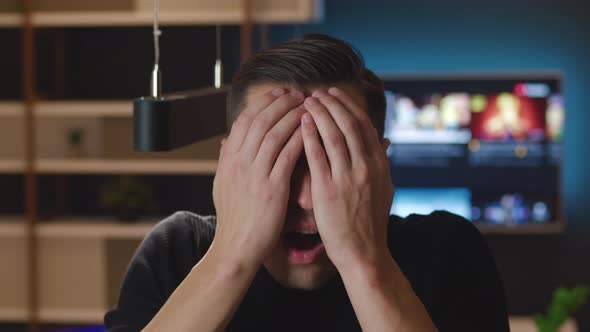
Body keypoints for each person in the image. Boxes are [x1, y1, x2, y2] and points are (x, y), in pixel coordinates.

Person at [105, 34, 509, 332]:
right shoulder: (176, 253)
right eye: (277, 157)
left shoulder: (449, 251)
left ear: (379, 165)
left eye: (333, 159)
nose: (305, 200)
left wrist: (365, 263)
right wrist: (231, 257)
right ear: (231, 164)